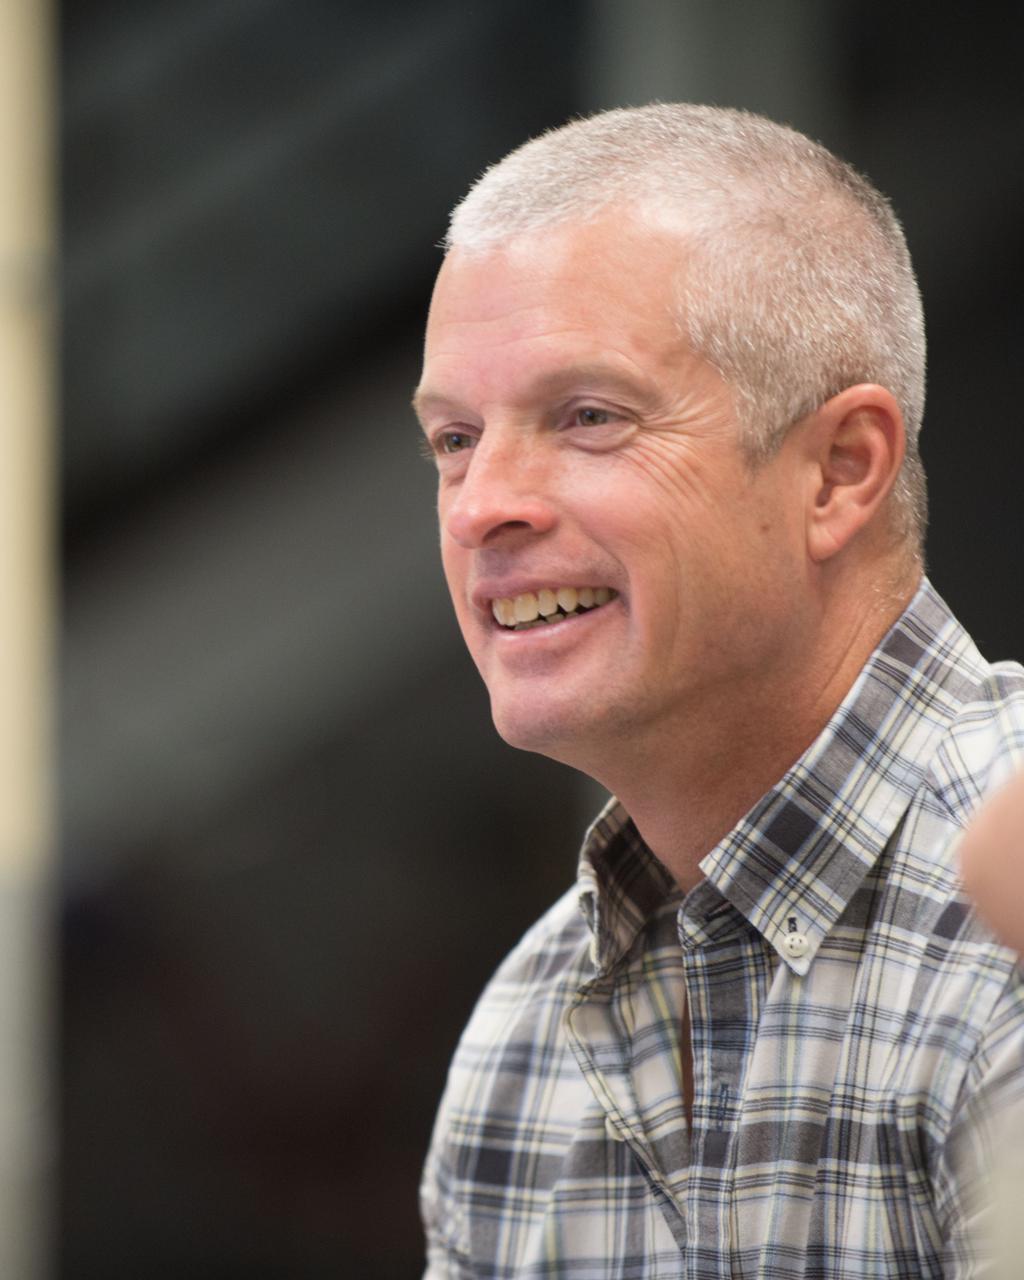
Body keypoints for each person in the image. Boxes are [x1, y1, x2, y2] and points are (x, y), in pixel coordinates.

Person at [413, 103, 1024, 1278]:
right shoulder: (520, 1048)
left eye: (587, 416)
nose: (479, 502)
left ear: (840, 470)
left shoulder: (1010, 919)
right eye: (452, 437)